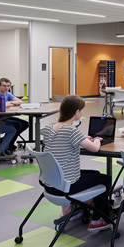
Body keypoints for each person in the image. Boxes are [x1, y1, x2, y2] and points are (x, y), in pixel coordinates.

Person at [41, 95, 112, 232]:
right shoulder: (71, 131)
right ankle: (97, 220)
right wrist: (97, 139)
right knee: (105, 179)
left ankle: (71, 211)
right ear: (76, 112)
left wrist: (82, 138)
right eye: (81, 110)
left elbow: (62, 141)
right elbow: (95, 148)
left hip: (50, 184)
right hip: (67, 187)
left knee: (95, 174)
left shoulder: (50, 128)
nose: (82, 113)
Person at [0, 78, 29, 152]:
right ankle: (6, 145)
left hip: (4, 117)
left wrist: (10, 103)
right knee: (18, 125)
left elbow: (21, 101)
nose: (6, 88)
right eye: (4, 86)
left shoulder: (7, 94)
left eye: (8, 86)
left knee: (25, 124)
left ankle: (7, 142)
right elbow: (2, 104)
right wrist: (13, 103)